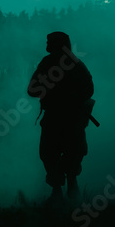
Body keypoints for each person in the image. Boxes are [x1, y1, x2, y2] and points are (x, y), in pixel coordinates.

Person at [28, 32, 94, 203]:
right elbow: (32, 89)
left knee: (73, 152)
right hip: (55, 116)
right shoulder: (49, 62)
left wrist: (71, 96)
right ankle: (58, 189)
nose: (47, 45)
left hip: (71, 117)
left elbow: (88, 89)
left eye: (50, 42)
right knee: (49, 153)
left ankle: (71, 186)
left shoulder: (73, 64)